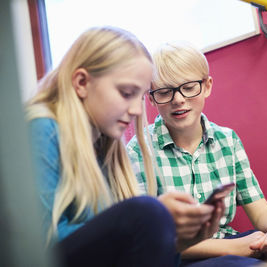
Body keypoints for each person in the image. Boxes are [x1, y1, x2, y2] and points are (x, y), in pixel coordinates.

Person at [26, 27, 224, 267]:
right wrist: (154, 218)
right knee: (148, 210)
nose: (137, 111)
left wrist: (178, 240)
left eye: (139, 97)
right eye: (126, 93)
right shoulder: (41, 130)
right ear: (81, 83)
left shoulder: (106, 148)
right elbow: (36, 247)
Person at [126, 41, 267, 266]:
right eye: (165, 92)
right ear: (151, 98)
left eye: (188, 87)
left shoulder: (228, 140)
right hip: (176, 256)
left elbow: (260, 209)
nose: (178, 99)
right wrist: (231, 247)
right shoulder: (138, 150)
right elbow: (147, 239)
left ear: (206, 86)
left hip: (233, 244)